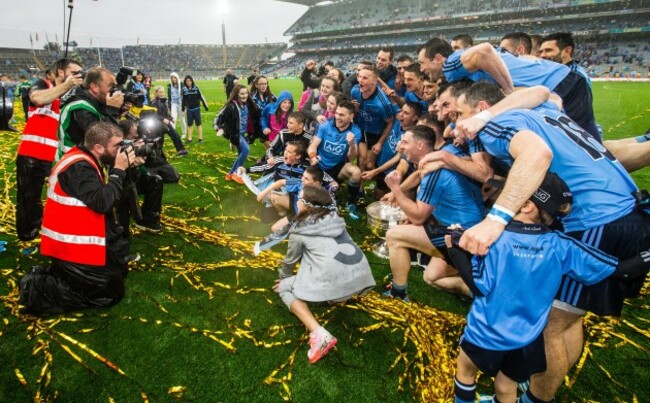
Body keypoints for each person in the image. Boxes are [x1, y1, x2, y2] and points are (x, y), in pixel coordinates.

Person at [452, 81, 650, 402]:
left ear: (481, 108)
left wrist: (495, 219)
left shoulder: (497, 124)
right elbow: (546, 92)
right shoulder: (537, 108)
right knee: (570, 318)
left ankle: (534, 399)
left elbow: (537, 153)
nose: (457, 122)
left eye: (459, 113)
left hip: (595, 220)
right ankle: (541, 390)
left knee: (549, 325)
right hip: (628, 211)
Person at [449, 173, 623, 403]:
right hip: (527, 338)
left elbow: (480, 285)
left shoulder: (497, 241)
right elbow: (606, 267)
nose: (504, 198)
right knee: (505, 386)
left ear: (527, 204)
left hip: (486, 333)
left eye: (512, 194)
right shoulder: (561, 244)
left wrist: (455, 250)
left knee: (465, 372)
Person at [18, 122, 135, 315]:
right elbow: (104, 203)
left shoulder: (87, 157)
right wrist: (119, 171)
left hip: (81, 237)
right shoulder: (78, 167)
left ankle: (61, 274)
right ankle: (37, 286)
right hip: (69, 246)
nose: (121, 150)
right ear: (98, 148)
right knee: (109, 292)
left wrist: (126, 167)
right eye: (117, 146)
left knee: (118, 273)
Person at [417, 37, 600, 141]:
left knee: (586, 147)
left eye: (422, 63)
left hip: (558, 85)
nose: (421, 69)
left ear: (439, 58)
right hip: (557, 83)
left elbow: (485, 51)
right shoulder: (457, 75)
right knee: (586, 143)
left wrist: (508, 90)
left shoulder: (450, 65)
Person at [272, 185, 375, 364]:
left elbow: (290, 262)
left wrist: (284, 279)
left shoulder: (299, 228)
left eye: (300, 198)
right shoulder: (335, 218)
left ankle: (318, 334)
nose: (296, 200)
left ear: (307, 205)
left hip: (336, 285)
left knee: (284, 289)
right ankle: (339, 297)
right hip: (362, 280)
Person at [383, 125, 485, 300]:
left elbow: (418, 217)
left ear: (421, 146)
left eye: (405, 142)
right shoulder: (444, 159)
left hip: (464, 235)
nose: (401, 146)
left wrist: (395, 189)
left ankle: (398, 293)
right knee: (431, 277)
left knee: (394, 235)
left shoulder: (434, 172)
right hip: (474, 230)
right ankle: (474, 289)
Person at [16, 58, 83, 243]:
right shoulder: (42, 84)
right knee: (29, 198)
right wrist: (66, 86)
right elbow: (37, 98)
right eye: (74, 73)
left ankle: (50, 230)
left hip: (55, 157)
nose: (77, 77)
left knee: (60, 196)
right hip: (32, 154)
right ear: (61, 73)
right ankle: (28, 235)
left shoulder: (68, 95)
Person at [307, 100, 363, 220]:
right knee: (316, 198)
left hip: (338, 167)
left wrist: (352, 144)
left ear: (351, 116)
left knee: (356, 172)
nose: (337, 117)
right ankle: (329, 190)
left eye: (342, 115)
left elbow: (352, 158)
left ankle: (351, 203)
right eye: (337, 113)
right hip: (320, 166)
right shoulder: (325, 125)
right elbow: (313, 146)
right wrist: (313, 157)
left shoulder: (356, 131)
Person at [57, 67, 125, 160]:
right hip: (73, 165)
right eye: (111, 86)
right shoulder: (80, 107)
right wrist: (112, 110)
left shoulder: (93, 102)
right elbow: (105, 139)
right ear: (94, 87)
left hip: (81, 161)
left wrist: (119, 111)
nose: (114, 90)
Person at [116, 118, 164, 234]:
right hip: (121, 186)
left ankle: (148, 218)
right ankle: (121, 234)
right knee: (125, 196)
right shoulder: (116, 150)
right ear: (123, 137)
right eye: (133, 137)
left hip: (134, 180)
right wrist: (131, 164)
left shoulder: (136, 146)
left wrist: (143, 155)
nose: (137, 137)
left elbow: (152, 165)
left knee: (155, 180)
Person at [350, 66, 395, 174]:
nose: (360, 80)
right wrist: (354, 109)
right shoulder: (355, 91)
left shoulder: (382, 103)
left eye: (365, 78)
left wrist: (380, 142)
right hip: (360, 129)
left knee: (369, 165)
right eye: (359, 76)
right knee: (361, 161)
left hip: (375, 133)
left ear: (374, 81)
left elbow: (390, 122)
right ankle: (359, 189)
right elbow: (353, 113)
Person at [216, 83, 262, 184]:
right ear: (237, 94)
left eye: (246, 93)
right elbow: (219, 117)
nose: (244, 95)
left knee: (241, 153)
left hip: (243, 133)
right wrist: (219, 128)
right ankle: (236, 173)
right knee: (246, 150)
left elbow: (258, 110)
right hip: (235, 134)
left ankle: (230, 174)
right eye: (241, 94)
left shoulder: (248, 103)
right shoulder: (231, 106)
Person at [150, 86, 189, 156]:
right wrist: (163, 119)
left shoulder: (163, 101)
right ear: (156, 93)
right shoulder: (154, 102)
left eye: (163, 92)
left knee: (175, 135)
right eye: (160, 92)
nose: (162, 94)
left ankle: (181, 151)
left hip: (167, 123)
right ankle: (157, 154)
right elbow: (154, 115)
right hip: (158, 125)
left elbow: (165, 112)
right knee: (159, 140)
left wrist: (170, 118)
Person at [181, 75, 208, 143]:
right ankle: (189, 139)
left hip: (196, 109)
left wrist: (205, 106)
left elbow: (201, 97)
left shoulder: (196, 88)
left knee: (198, 124)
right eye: (187, 81)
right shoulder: (184, 90)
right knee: (190, 124)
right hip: (189, 110)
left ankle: (200, 138)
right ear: (185, 82)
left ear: (192, 81)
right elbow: (183, 100)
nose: (188, 82)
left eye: (190, 80)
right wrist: (183, 110)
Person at [168, 72, 187, 139]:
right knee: (173, 119)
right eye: (172, 78)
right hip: (174, 104)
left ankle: (184, 133)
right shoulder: (169, 86)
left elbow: (185, 97)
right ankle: (173, 133)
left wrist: (184, 108)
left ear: (177, 78)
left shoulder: (182, 85)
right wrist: (169, 107)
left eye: (174, 77)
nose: (173, 79)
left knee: (182, 119)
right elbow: (169, 97)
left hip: (181, 104)